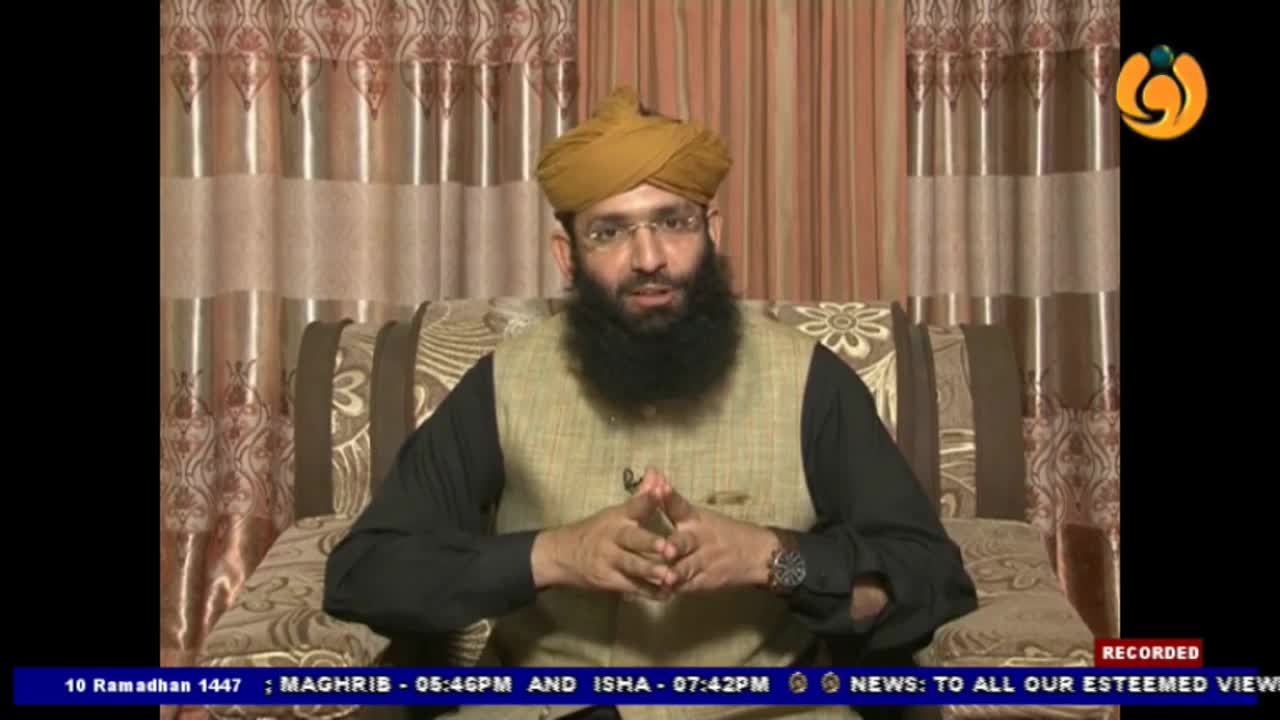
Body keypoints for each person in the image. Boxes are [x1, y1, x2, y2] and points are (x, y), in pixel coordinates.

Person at [323, 86, 978, 720]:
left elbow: (928, 578)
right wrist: (552, 555)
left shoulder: (811, 381)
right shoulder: (504, 383)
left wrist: (772, 559)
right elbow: (366, 573)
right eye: (609, 232)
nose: (649, 258)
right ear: (568, 257)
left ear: (711, 231)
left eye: (672, 222)